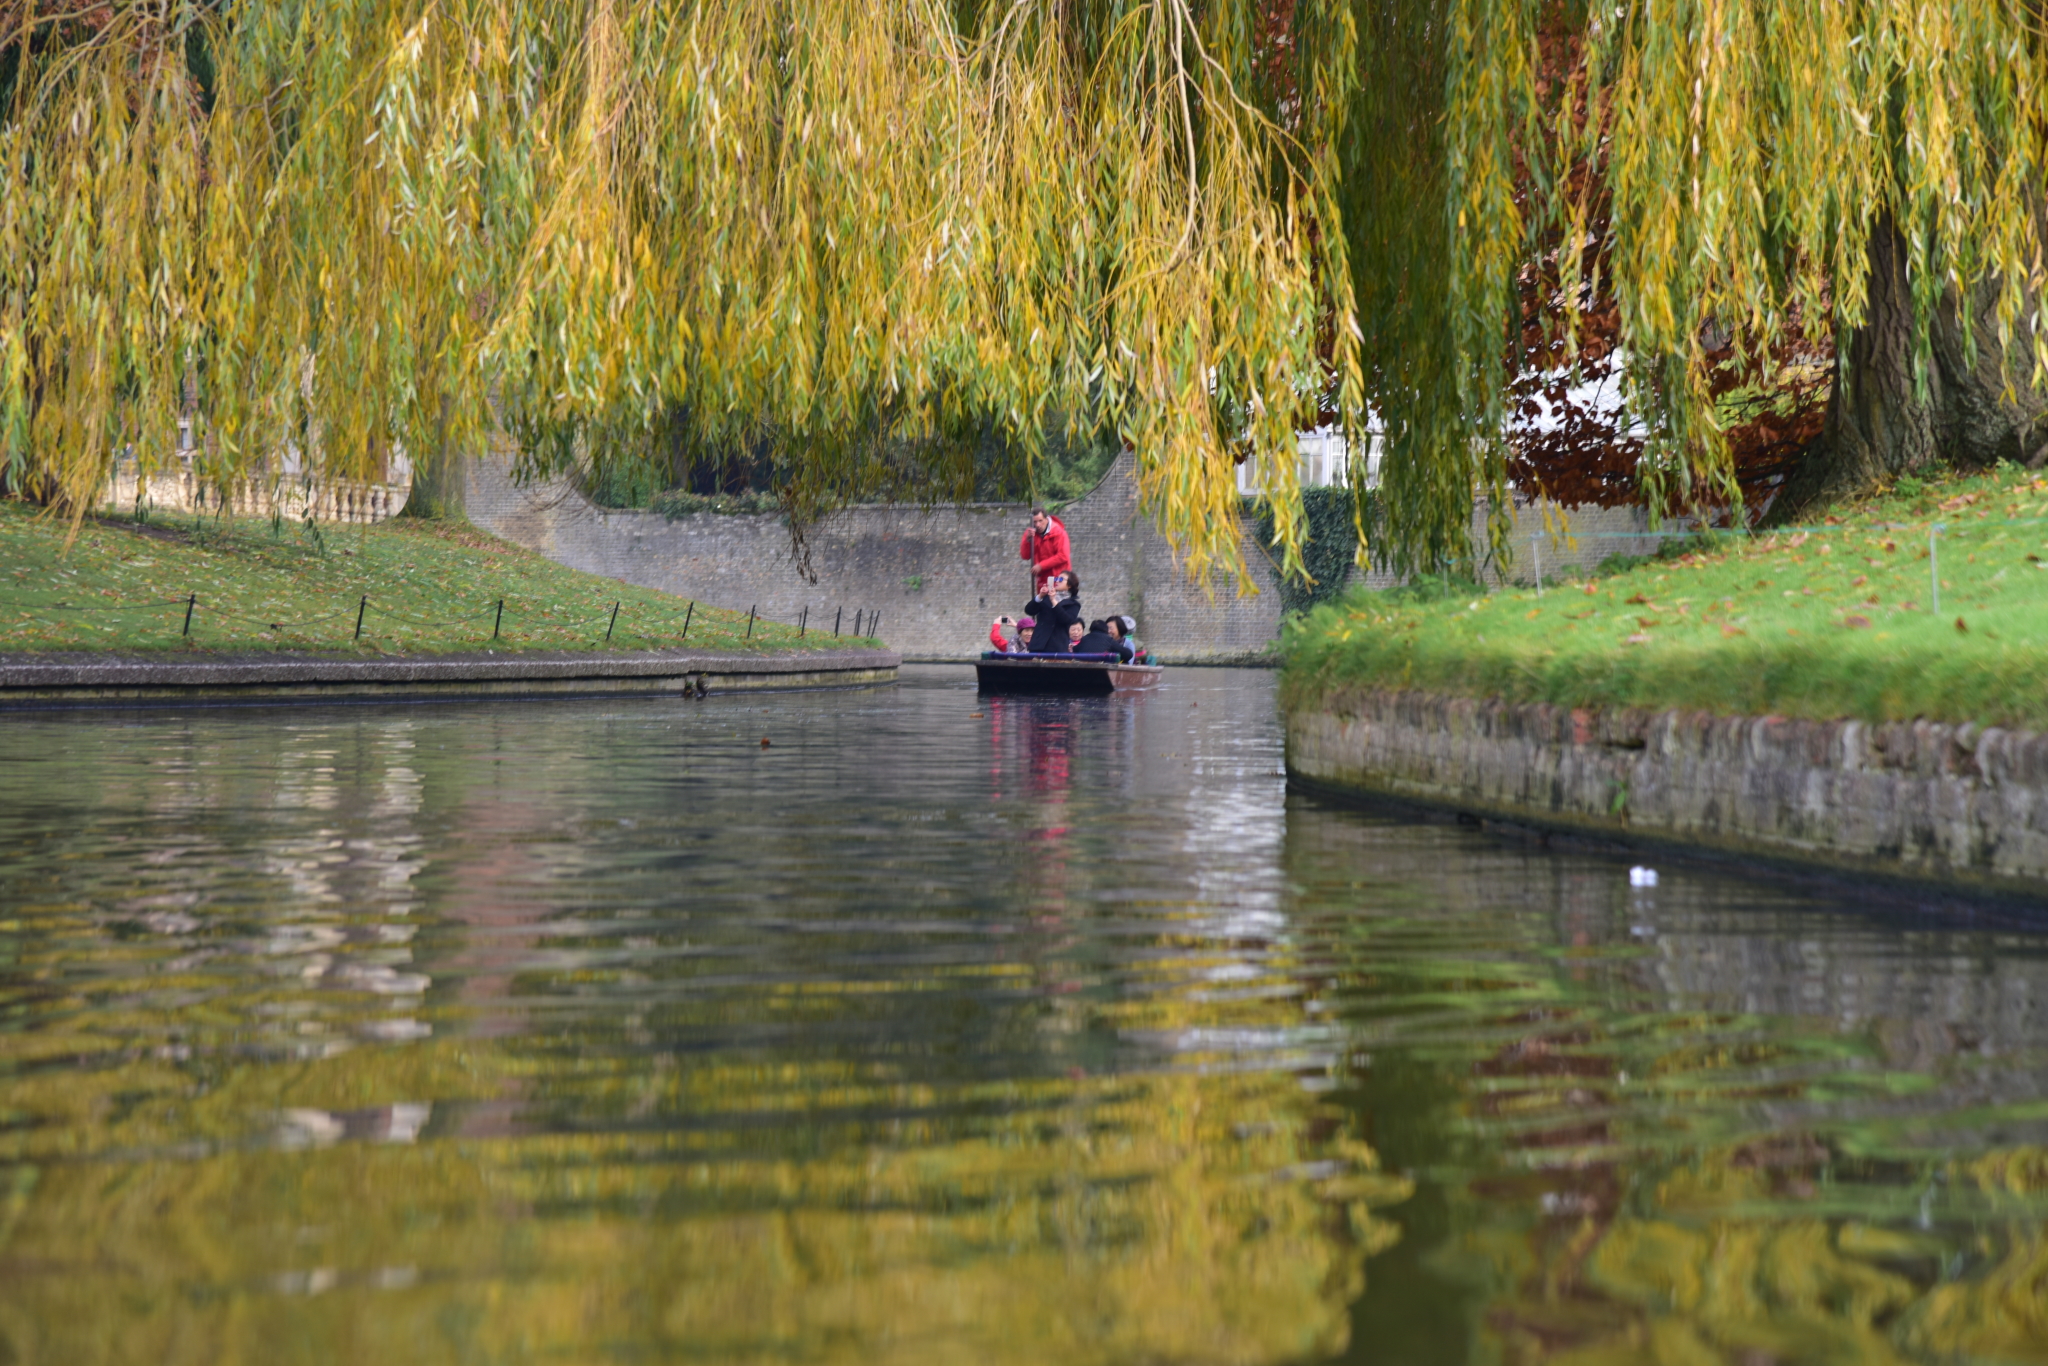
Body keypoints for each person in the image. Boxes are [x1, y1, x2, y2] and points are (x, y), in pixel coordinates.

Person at [1025, 571, 1082, 652]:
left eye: (1061, 579)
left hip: (1057, 645)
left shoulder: (1074, 604)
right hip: (1039, 643)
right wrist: (1040, 596)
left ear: (1069, 585)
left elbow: (1067, 620)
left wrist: (1054, 601)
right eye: (1056, 578)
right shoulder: (1046, 597)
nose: (1057, 581)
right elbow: (1029, 610)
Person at [1019, 508, 1071, 596]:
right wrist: (1027, 540)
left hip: (1058, 578)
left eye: (1040, 521)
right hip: (1043, 580)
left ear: (1046, 519)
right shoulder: (1030, 533)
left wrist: (1041, 566)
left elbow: (1063, 556)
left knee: (1058, 605)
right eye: (1035, 522)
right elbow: (1025, 556)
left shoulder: (1059, 533)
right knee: (1044, 606)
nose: (1038, 525)